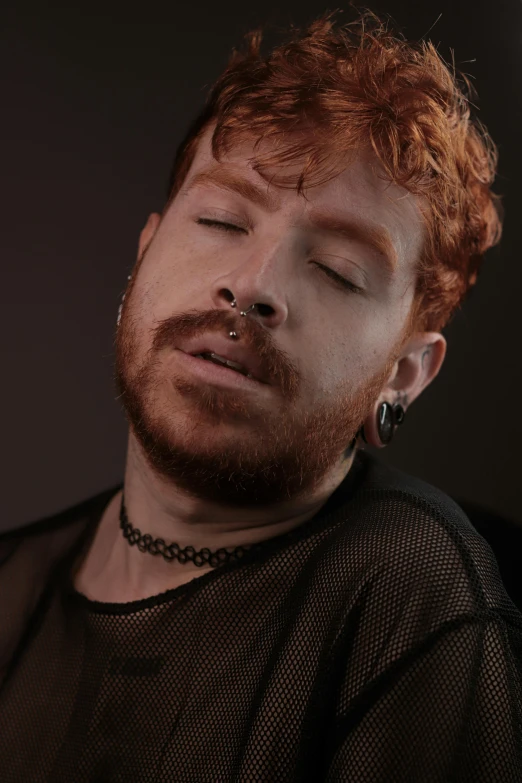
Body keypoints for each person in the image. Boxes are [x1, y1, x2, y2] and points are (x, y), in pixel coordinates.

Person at [0, 8, 520, 782]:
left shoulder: (414, 594)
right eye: (219, 219)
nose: (252, 285)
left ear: (406, 372)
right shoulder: (10, 588)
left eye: (340, 270)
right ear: (144, 255)